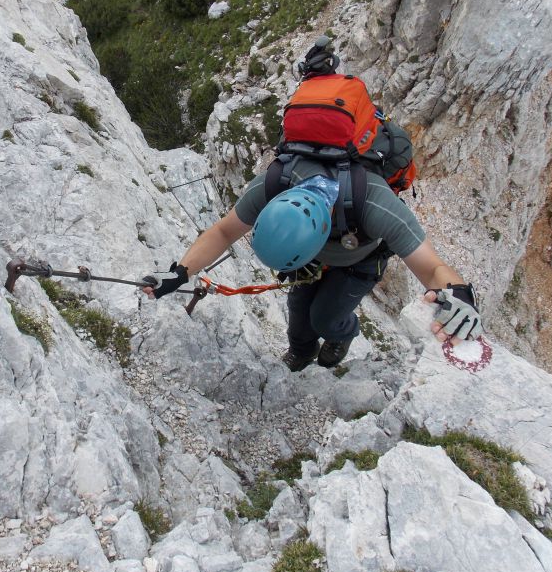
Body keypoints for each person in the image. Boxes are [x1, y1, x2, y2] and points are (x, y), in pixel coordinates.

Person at [142, 43, 482, 371]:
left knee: (326, 317)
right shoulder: (275, 182)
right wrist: (179, 273)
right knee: (298, 314)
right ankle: (302, 353)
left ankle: (343, 335)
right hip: (316, 260)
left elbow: (432, 266)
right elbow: (223, 231)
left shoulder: (372, 199)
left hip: (358, 262)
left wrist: (459, 295)